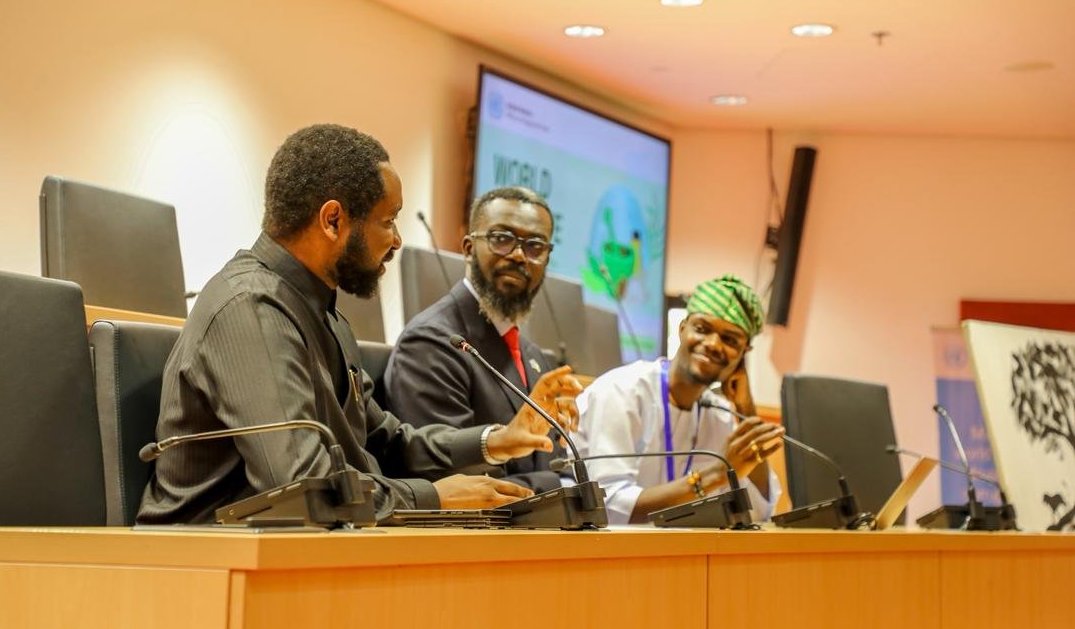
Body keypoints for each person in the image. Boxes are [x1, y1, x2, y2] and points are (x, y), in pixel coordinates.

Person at [137, 124, 578, 524]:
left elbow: (387, 443)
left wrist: (498, 441)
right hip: (200, 567)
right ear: (333, 220)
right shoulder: (251, 310)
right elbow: (302, 485)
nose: (397, 240)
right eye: (388, 221)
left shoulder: (323, 314)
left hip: (291, 552)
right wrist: (433, 498)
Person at [385, 187, 578, 493]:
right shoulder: (432, 342)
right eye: (502, 238)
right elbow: (455, 483)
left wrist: (561, 481)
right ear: (468, 248)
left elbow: (549, 461)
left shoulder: (532, 355)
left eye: (535, 246)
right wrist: (563, 484)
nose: (518, 255)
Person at [571, 274, 784, 524]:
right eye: (702, 329)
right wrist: (714, 476)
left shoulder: (721, 414)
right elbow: (608, 506)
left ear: (743, 354)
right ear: (682, 329)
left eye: (730, 340)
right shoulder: (623, 390)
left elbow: (757, 513)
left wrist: (746, 409)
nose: (714, 344)